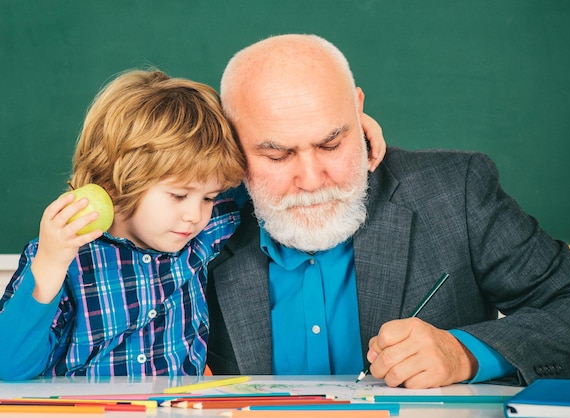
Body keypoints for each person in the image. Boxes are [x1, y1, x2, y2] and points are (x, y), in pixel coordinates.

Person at [206, 34, 570, 389]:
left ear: (358, 111)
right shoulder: (197, 219)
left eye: (331, 143)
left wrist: (465, 354)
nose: (313, 179)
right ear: (230, 141)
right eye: (277, 155)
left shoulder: (454, 191)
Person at [0, 68, 386, 380]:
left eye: (207, 197)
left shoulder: (201, 235)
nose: (194, 215)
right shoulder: (62, 258)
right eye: (178, 195)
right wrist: (49, 265)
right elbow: (10, 367)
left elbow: (266, 182)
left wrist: (335, 128)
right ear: (117, 181)